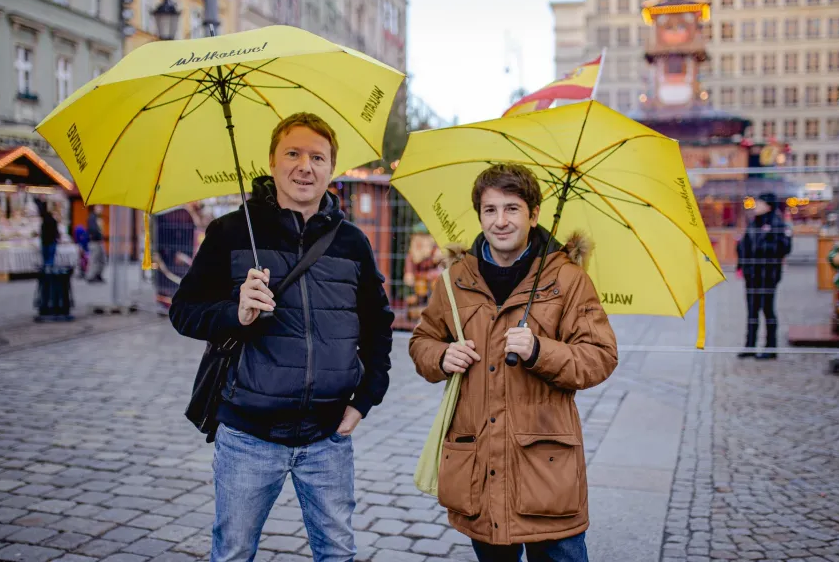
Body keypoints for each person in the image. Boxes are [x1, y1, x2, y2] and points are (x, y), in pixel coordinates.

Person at [169, 112, 394, 562]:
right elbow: (184, 312)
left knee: (338, 553)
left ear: (332, 169)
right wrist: (237, 312)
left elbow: (377, 324)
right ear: (272, 162)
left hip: (327, 437)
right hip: (249, 436)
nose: (304, 166)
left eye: (317, 156)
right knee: (233, 552)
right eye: (293, 153)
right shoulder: (231, 232)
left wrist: (365, 398)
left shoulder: (351, 242)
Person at [408, 164, 618, 562]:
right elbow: (422, 341)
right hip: (479, 468)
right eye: (490, 210)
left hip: (545, 471)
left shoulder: (568, 280)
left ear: (533, 214)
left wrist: (540, 351)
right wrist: (441, 355)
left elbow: (600, 357)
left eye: (512, 209)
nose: (500, 221)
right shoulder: (455, 279)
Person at [736, 192, 792, 359]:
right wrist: (742, 262)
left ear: (768, 206)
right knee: (751, 311)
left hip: (767, 275)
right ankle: (750, 346)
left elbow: (784, 248)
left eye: (759, 203)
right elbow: (744, 245)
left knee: (768, 310)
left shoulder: (777, 224)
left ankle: (770, 347)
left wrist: (763, 245)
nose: (756, 206)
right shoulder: (753, 223)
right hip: (752, 275)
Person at [87, 205, 107, 283]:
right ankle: (91, 276)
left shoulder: (98, 218)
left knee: (102, 259)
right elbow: (93, 229)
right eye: (99, 207)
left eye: (101, 207)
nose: (101, 209)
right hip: (95, 241)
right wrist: (98, 235)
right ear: (95, 208)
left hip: (99, 241)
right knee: (94, 259)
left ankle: (98, 275)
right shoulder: (92, 217)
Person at [38, 201, 59, 267]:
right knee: (50, 259)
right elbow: (56, 232)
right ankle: (49, 273)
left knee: (45, 259)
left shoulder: (43, 222)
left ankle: (46, 273)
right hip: (51, 242)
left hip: (45, 242)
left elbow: (42, 232)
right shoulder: (54, 221)